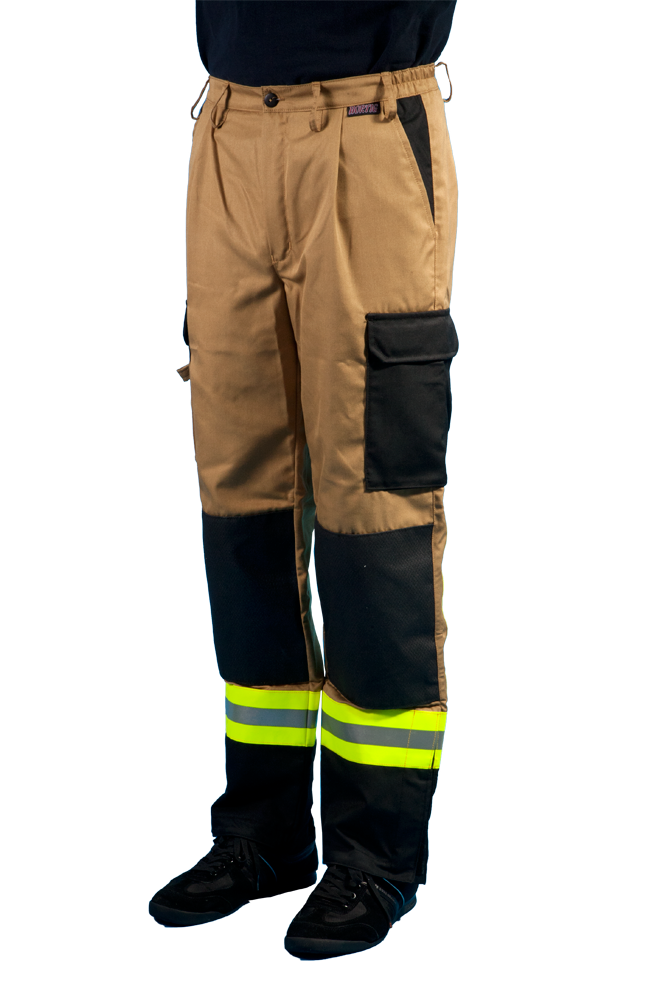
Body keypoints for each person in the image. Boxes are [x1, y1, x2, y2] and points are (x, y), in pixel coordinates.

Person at [149, 0, 459, 959]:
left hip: (367, 126)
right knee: (243, 502)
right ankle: (264, 837)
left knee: (374, 511)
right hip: (228, 125)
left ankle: (374, 859)